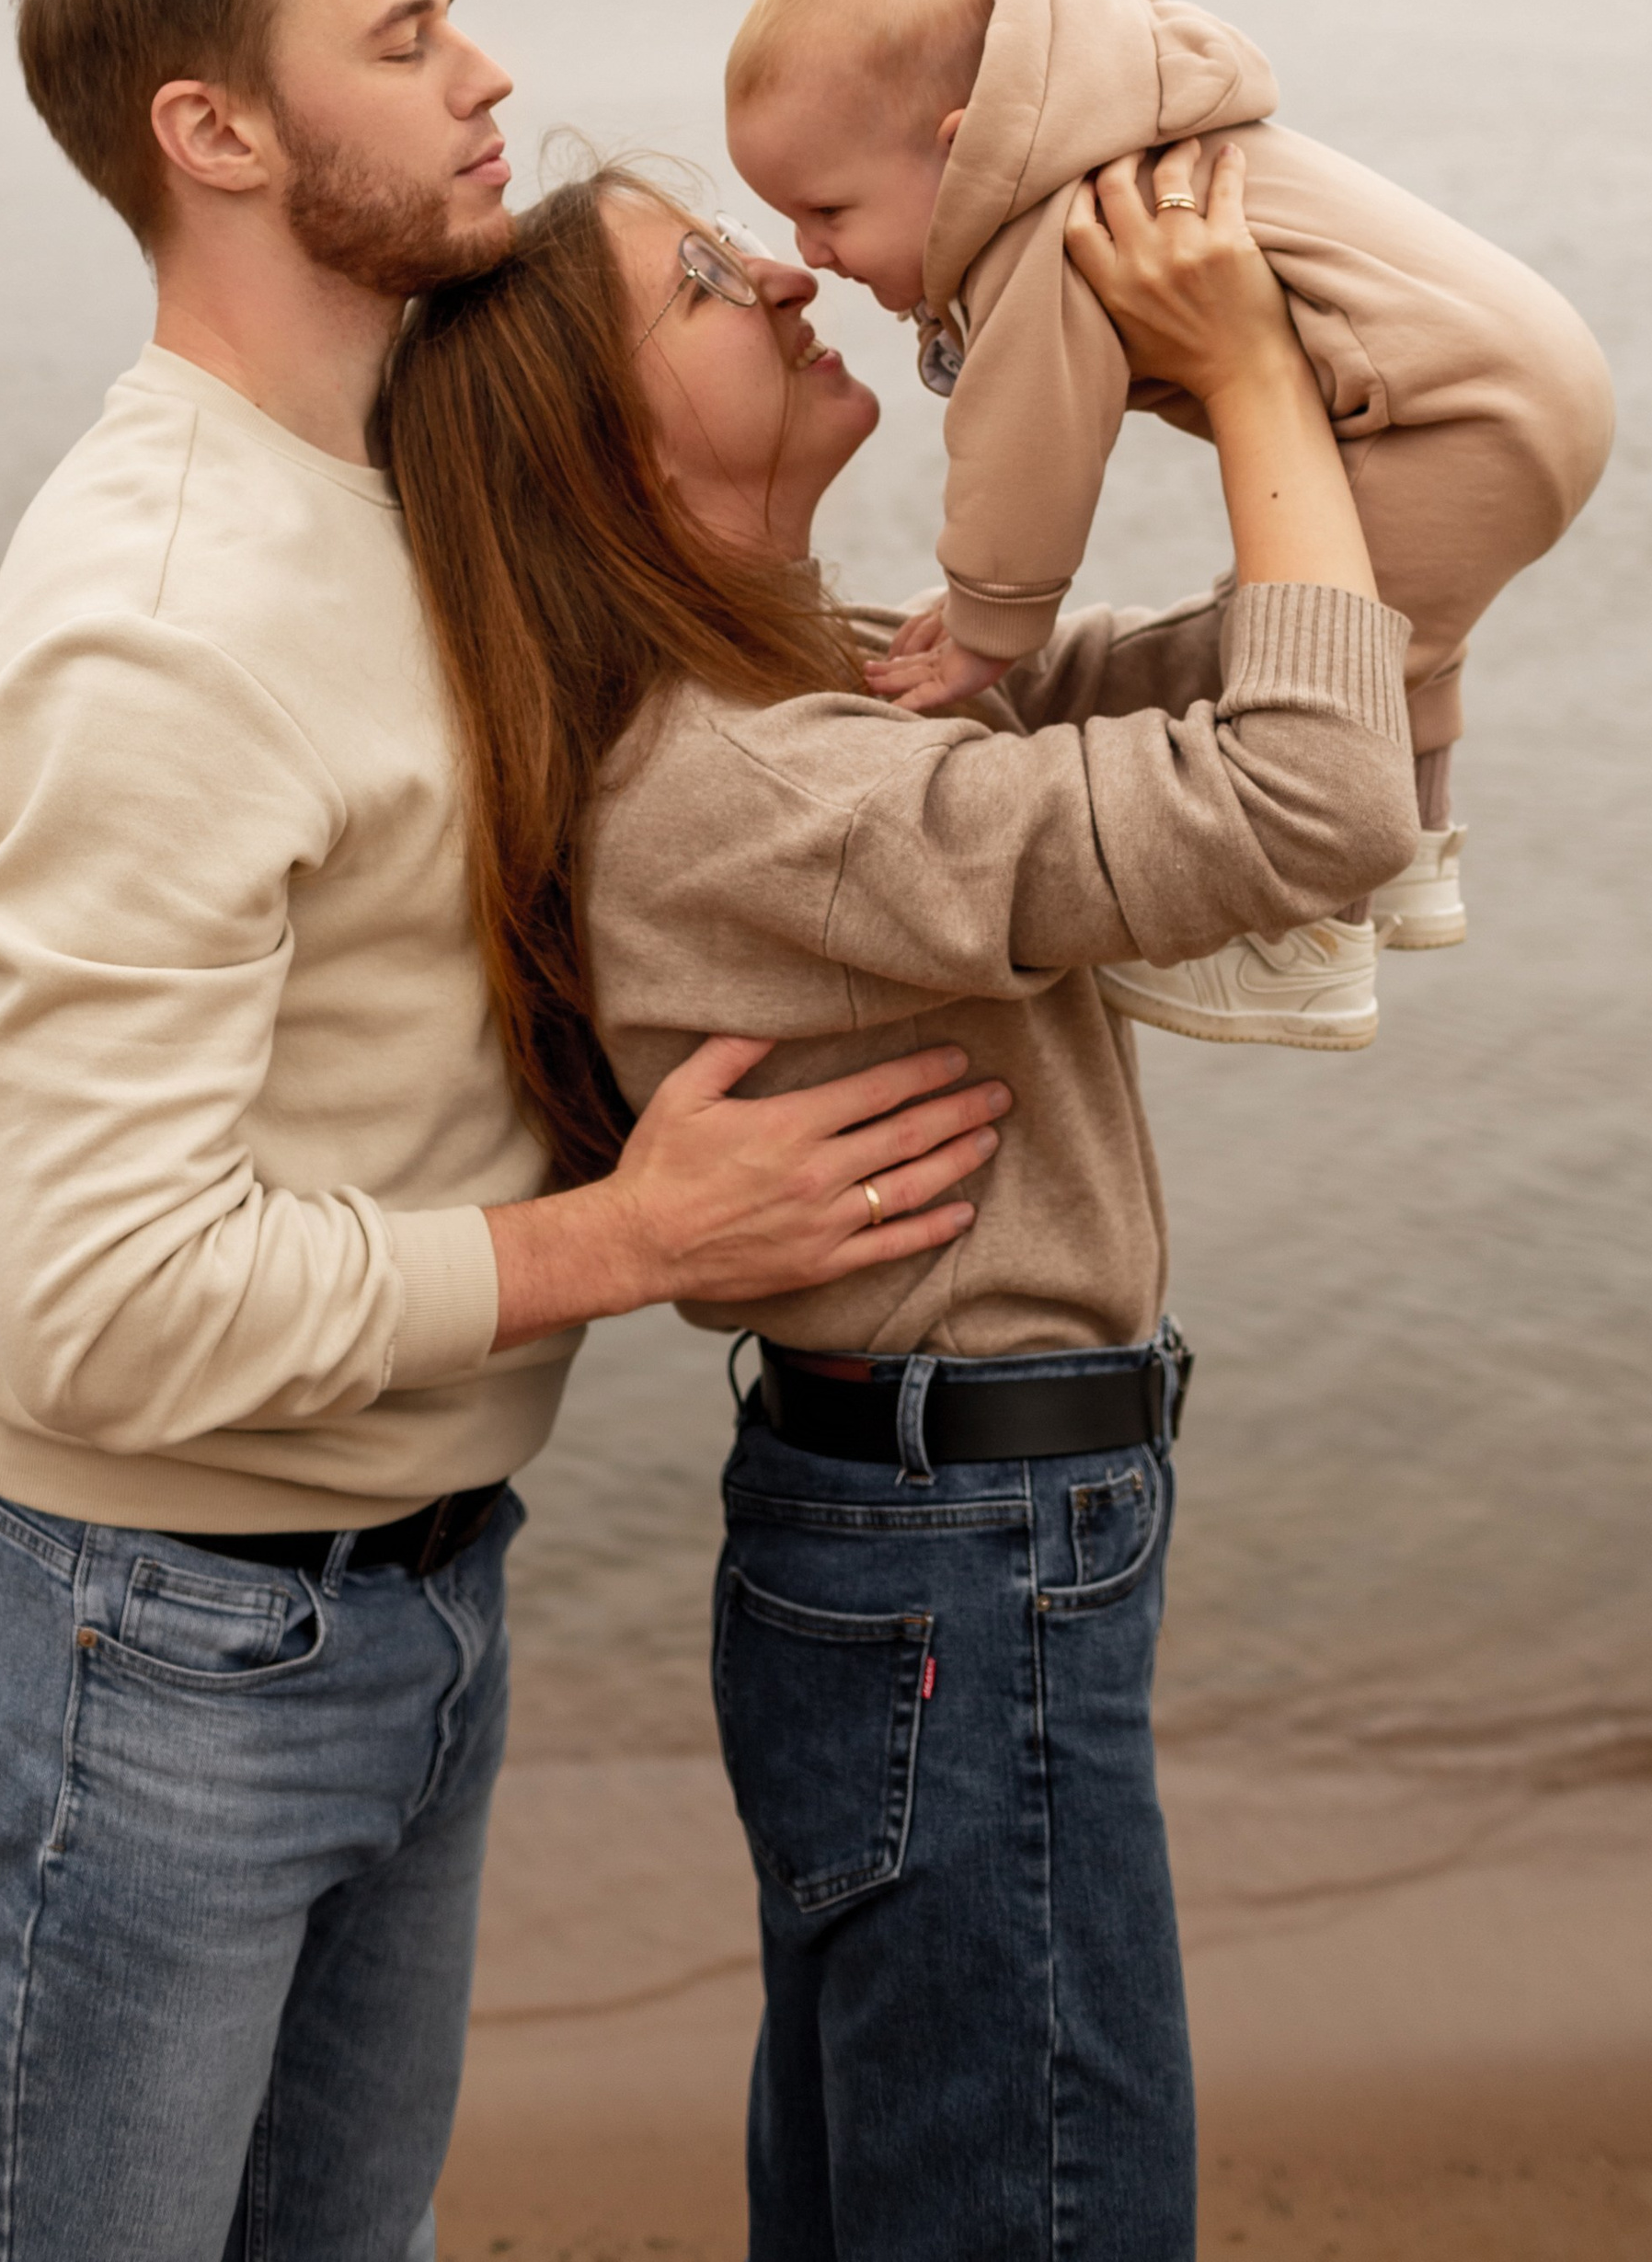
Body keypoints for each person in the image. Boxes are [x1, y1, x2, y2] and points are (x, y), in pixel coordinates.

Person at [0, 0, 1006, 2262]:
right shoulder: (154, 621)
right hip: (153, 1621)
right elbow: (97, 1296)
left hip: (408, 1579)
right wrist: (631, 1239)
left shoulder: (397, 475)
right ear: (214, 132)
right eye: (402, 39)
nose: (486, 73)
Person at [381, 138, 1421, 2262]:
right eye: (701, 279)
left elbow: (1308, 670)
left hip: (933, 1548)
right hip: (965, 1560)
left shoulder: (819, 688)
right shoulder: (764, 778)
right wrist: (1241, 377)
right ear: (604, 447)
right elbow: (1318, 792)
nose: (782, 275)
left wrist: (1140, 380)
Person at [721, 0, 1614, 1047]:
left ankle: (1306, 948)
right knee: (1397, 638)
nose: (807, 253)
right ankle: (1413, 862)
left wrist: (990, 624)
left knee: (1327, 649)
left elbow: (1026, 444)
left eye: (828, 212)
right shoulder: (1115, 119)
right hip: (1518, 382)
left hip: (1453, 417)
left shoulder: (1046, 221)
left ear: (960, 147)